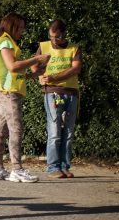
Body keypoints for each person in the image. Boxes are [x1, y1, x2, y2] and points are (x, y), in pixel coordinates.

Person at [0, 12, 50, 183]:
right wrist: (36, 59)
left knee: (1, 131)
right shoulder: (5, 41)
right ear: (12, 25)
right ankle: (16, 169)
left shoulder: (6, 42)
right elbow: (13, 66)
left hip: (6, 90)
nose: (22, 31)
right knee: (16, 128)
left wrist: (35, 74)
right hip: (8, 92)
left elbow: (13, 72)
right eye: (21, 27)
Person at [31, 19, 81, 178]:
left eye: (57, 37)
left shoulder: (74, 48)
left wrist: (53, 77)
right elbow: (34, 65)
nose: (54, 40)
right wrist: (40, 76)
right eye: (51, 37)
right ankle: (53, 168)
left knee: (68, 133)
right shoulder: (44, 47)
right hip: (51, 93)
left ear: (64, 34)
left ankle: (65, 166)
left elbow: (75, 68)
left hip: (71, 93)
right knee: (54, 132)